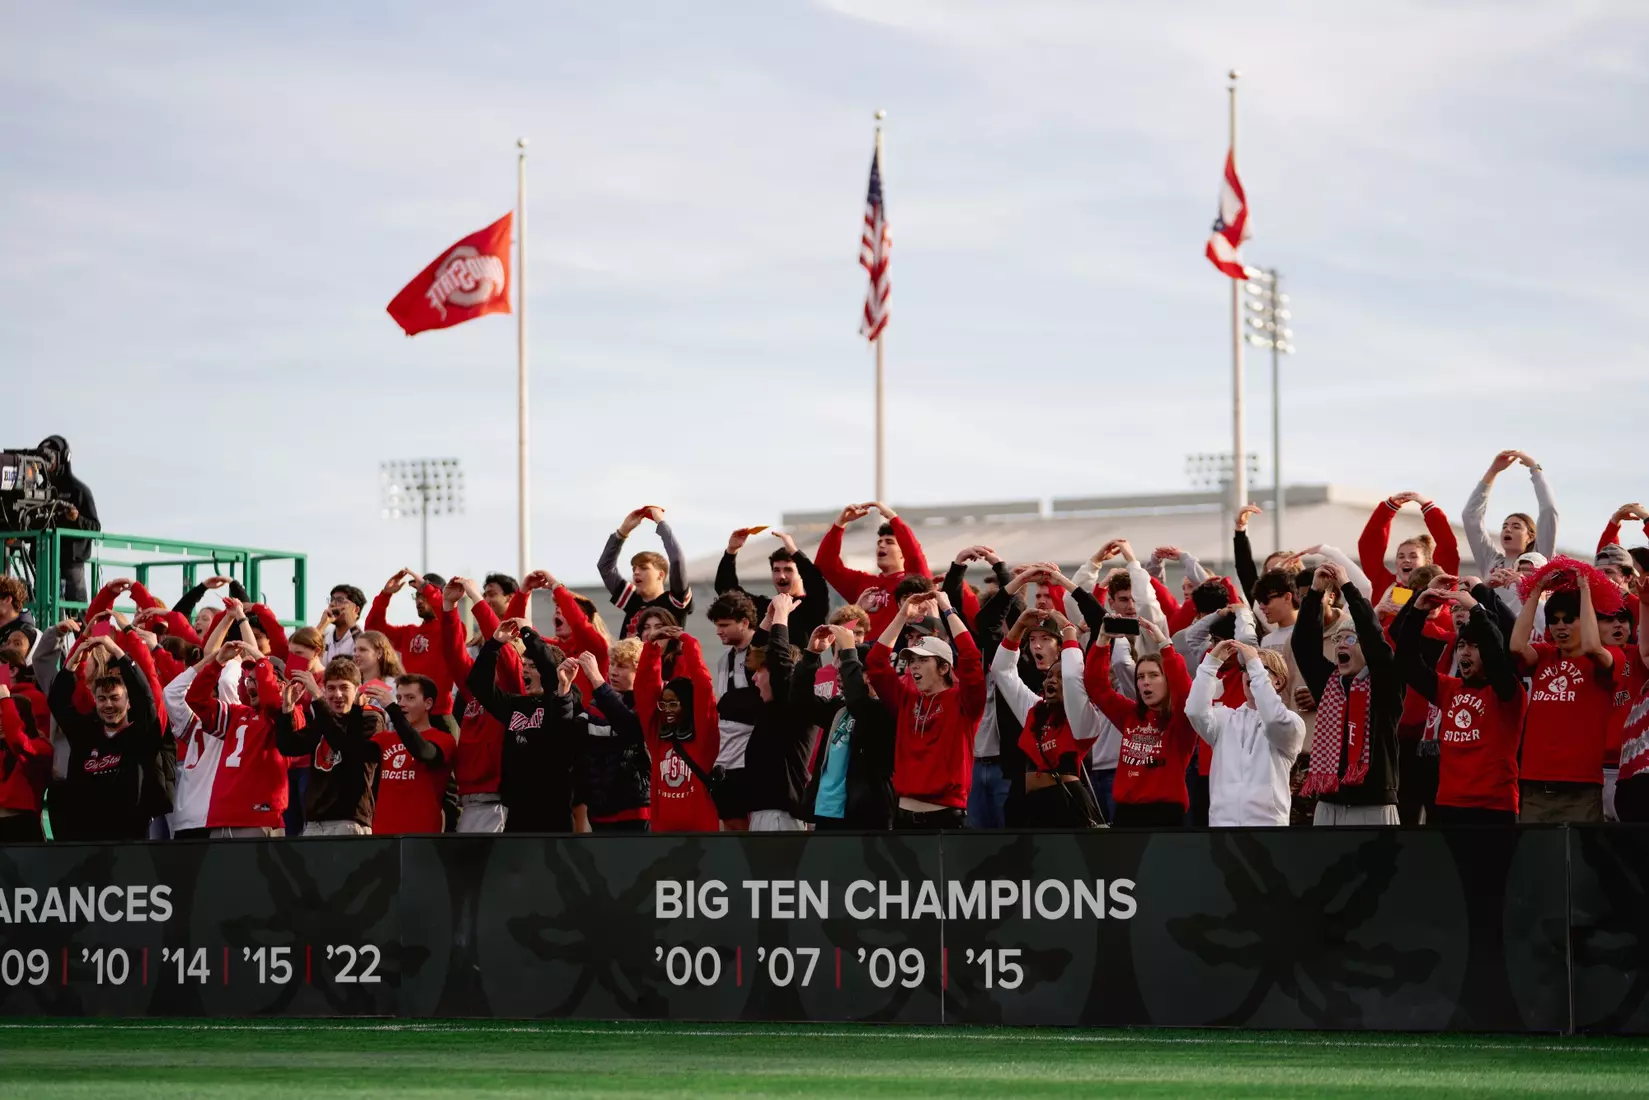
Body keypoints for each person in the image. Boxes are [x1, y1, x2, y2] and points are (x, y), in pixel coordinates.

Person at [1396, 578, 1524, 825]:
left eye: (1474, 646)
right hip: (1447, 805)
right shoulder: (1449, 688)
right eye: (1462, 645)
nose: (1465, 652)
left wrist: (1477, 609)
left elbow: (1497, 657)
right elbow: (1407, 663)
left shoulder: (1509, 693)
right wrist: (1417, 611)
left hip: (1494, 809)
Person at [1509, 562, 1622, 823]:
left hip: (1580, 789)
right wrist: (1535, 589)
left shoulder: (1607, 658)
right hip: (1535, 786)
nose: (1561, 627)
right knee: (1536, 859)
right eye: (1555, 621)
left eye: (1569, 620)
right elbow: (1516, 645)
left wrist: (1584, 589)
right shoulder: (1545, 655)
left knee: (1580, 862)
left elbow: (1593, 646)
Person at [1292, 562, 1403, 825]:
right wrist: (1316, 593)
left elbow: (1376, 640)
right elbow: (1304, 645)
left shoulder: (1385, 682)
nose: (1341, 643)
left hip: (1373, 804)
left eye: (1351, 639)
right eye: (1338, 639)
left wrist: (1347, 587)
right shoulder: (1330, 684)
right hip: (1330, 802)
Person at [866, 590, 986, 829]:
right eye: (911, 661)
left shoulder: (963, 701)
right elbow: (876, 662)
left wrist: (948, 610)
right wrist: (902, 615)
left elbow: (971, 657)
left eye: (922, 660)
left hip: (946, 817)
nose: (913, 666)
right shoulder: (906, 700)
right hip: (902, 814)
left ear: (943, 668)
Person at [991, 608, 1106, 827]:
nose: (1052, 680)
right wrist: (1019, 627)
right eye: (1050, 675)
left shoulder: (1083, 719)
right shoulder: (1035, 710)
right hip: (1028, 804)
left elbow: (1073, 677)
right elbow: (1002, 672)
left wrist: (1069, 631)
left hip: (1065, 806)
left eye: (1060, 676)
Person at [465, 618, 580, 833]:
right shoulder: (514, 704)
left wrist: (527, 632)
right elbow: (479, 685)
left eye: (533, 666)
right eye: (524, 666)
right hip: (517, 807)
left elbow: (550, 672)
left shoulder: (564, 699)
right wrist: (494, 644)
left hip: (553, 809)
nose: (525, 671)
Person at [45, 635, 164, 840]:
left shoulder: (141, 733)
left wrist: (117, 651)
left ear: (128, 703)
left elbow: (145, 697)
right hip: (86, 837)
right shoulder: (85, 734)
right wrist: (72, 663)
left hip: (129, 837)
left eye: (115, 698)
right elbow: (57, 701)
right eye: (102, 699)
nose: (108, 705)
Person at [1082, 616, 1194, 826]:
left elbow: (1185, 692)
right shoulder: (1130, 715)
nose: (1145, 682)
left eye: (1153, 675)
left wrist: (1165, 645)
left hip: (1165, 814)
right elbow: (1096, 687)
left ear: (1167, 679)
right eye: (1140, 677)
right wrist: (1102, 641)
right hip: (1126, 813)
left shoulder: (1181, 722)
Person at [1184, 639, 1304, 826]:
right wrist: (1211, 662)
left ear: (1278, 681)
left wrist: (1254, 664)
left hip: (1268, 828)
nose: (1250, 671)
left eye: (1259, 667)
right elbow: (1194, 711)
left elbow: (1272, 719)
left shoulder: (1292, 722)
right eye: (1246, 668)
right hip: (1222, 827)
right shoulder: (1225, 718)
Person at [439, 577, 523, 833]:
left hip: (498, 802)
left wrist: (476, 598)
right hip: (470, 799)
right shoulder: (475, 690)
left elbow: (505, 651)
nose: (488, 656)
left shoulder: (512, 688)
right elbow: (454, 654)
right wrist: (448, 607)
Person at [181, 639, 290, 838]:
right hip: (221, 817)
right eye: (249, 679)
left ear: (281, 684)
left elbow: (273, 702)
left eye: (257, 680)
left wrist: (261, 660)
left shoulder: (286, 715)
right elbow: (195, 699)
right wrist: (218, 662)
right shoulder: (236, 714)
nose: (250, 686)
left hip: (259, 818)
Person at [792, 623, 895, 830]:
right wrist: (811, 655)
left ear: (868, 675)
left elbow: (859, 702)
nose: (838, 673)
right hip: (828, 811)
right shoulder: (838, 707)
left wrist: (850, 652)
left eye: (847, 669)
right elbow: (799, 703)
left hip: (864, 816)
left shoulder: (882, 710)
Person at [275, 658, 382, 835]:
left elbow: (344, 744)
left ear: (357, 689)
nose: (337, 695)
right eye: (331, 688)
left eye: (344, 687)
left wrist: (317, 698)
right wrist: (287, 708)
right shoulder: (323, 720)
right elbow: (290, 747)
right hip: (314, 822)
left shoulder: (370, 718)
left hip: (349, 820)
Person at [634, 624, 721, 831]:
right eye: (663, 704)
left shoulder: (704, 739)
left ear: (688, 705)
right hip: (665, 837)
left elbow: (703, 686)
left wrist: (689, 643)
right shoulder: (658, 738)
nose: (667, 710)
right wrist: (651, 648)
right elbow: (644, 690)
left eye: (674, 703)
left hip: (701, 838)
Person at [740, 593, 809, 831]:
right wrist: (768, 620)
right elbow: (754, 661)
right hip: (763, 816)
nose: (755, 678)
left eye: (762, 672)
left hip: (780, 818)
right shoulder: (768, 707)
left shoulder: (791, 705)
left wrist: (782, 615)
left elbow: (780, 665)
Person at [816, 501, 931, 638]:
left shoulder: (914, 583)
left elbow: (914, 556)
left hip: (897, 656)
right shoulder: (863, 583)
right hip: (861, 656)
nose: (881, 545)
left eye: (889, 542)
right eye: (879, 542)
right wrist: (839, 525)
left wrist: (893, 517)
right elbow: (825, 564)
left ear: (903, 552)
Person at [365, 674, 456, 834]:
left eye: (410, 698)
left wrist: (393, 710)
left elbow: (422, 751)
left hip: (422, 837)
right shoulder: (385, 739)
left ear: (428, 703)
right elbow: (349, 750)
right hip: (383, 836)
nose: (402, 704)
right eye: (399, 698)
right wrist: (355, 709)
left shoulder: (443, 739)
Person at [572, 649, 651, 832]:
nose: (613, 671)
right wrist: (563, 688)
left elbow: (629, 727)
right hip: (599, 810)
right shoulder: (596, 705)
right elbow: (572, 737)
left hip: (634, 810)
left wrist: (597, 680)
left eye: (622, 666)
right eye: (612, 665)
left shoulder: (647, 703)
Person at [706, 591, 761, 830]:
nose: (719, 631)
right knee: (731, 827)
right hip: (724, 761)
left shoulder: (764, 652)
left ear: (745, 622)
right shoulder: (722, 660)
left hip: (754, 760)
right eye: (717, 625)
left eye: (725, 625)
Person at [366, 570, 455, 716]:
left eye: (424, 596)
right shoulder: (408, 633)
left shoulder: (451, 630)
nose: (419, 601)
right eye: (418, 596)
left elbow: (448, 617)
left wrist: (428, 589)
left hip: (439, 714)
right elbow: (373, 631)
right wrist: (385, 595)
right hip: (410, 715)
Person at [717, 528, 830, 642]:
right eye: (776, 570)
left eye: (788, 570)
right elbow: (727, 591)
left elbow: (817, 584)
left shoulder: (813, 607)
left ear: (801, 574)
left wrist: (794, 551)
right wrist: (731, 551)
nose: (781, 576)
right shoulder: (765, 608)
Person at [598, 506, 694, 638]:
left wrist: (661, 522)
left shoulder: (674, 601)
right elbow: (605, 567)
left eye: (643, 568)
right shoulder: (632, 600)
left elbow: (677, 560)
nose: (636, 572)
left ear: (661, 575)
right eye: (634, 569)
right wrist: (623, 531)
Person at [1463, 449, 1558, 578]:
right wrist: (1493, 471)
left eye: (1516, 527)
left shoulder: (1540, 558)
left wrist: (1534, 468)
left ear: (1530, 536)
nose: (1508, 529)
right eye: (1504, 526)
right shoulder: (1491, 562)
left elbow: (1549, 510)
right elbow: (1470, 517)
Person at [1357, 491, 1461, 607]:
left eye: (1413, 556)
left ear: (1427, 562)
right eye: (1401, 556)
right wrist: (1387, 508)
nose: (1406, 560)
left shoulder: (1441, 584)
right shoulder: (1384, 584)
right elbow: (1369, 545)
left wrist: (1427, 506)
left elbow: (1447, 546)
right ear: (1396, 563)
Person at [35, 435, 100, 605]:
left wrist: (76, 519)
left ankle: (94, 631)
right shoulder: (37, 492)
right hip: (44, 561)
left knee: (80, 615)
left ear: (63, 458)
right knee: (40, 608)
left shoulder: (79, 490)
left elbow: (95, 527)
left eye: (50, 457)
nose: (46, 463)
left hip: (72, 564)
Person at [0, 682, 52, 841]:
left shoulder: (41, 747)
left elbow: (18, 741)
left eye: (3, 717)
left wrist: (5, 699)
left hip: (21, 829)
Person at [319, 584, 368, 662]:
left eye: (340, 600)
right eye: (331, 600)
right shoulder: (327, 634)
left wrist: (351, 622)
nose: (332, 604)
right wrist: (321, 625)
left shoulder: (365, 631)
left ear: (355, 610)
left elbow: (368, 654)